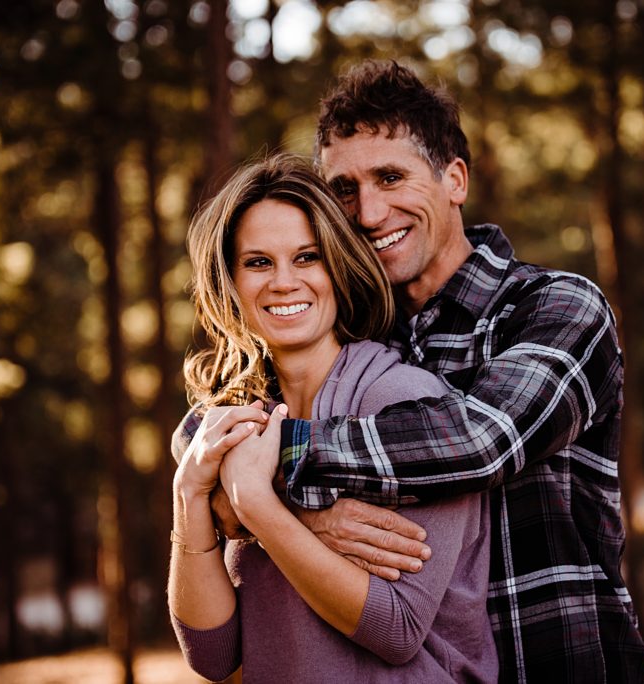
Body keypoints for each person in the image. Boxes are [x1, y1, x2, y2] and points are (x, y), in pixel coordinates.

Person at [177, 61, 644, 683]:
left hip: (561, 662)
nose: (370, 212)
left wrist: (262, 474)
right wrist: (232, 478)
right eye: (344, 189)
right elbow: (202, 432)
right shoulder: (357, 336)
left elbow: (479, 443)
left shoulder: (555, 307)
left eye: (391, 176)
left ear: (454, 179)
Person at [168, 154, 497, 682]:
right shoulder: (236, 422)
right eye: (257, 262)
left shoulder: (404, 404)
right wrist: (189, 495)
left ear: (338, 267)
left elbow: (397, 629)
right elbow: (212, 655)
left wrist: (258, 506)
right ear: (228, 279)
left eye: (306, 258)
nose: (282, 282)